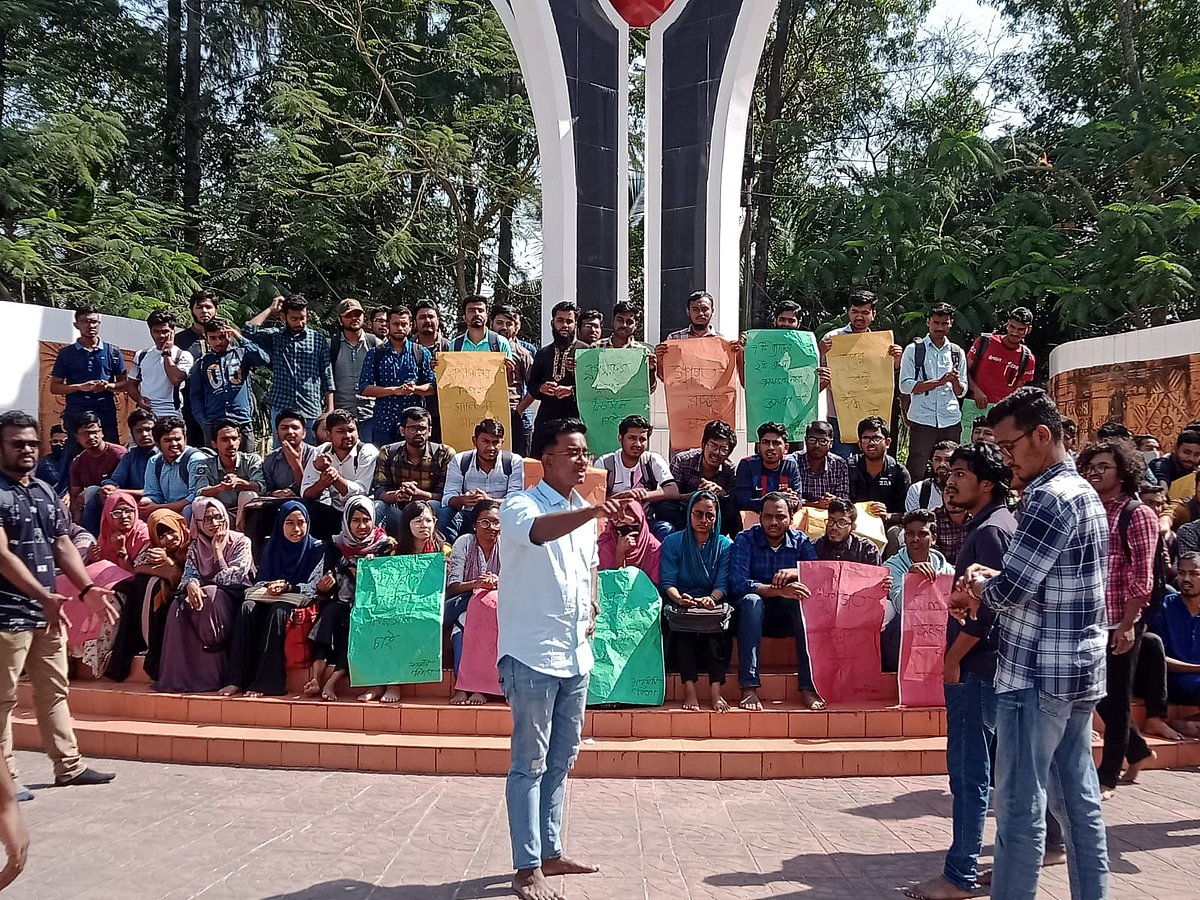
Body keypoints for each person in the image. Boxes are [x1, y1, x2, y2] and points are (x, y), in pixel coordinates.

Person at [948, 387, 1109, 899]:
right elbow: (1045, 583)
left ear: (1043, 435)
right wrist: (992, 578)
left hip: (1033, 676)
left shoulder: (1047, 497)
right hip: (1076, 671)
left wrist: (977, 585)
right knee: (1077, 804)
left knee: (1020, 808)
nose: (1005, 457)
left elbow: (1012, 591)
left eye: (1009, 445)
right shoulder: (1084, 494)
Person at [498, 418, 615, 900]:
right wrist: (591, 515)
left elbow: (587, 569)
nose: (582, 459)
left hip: (574, 654)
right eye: (571, 451)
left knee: (562, 758)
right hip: (531, 653)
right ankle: (526, 867)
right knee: (529, 762)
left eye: (585, 451)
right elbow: (539, 534)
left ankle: (550, 851)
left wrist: (592, 605)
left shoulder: (583, 510)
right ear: (545, 459)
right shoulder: (519, 504)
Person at [905, 441, 1017, 900]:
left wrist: (951, 661)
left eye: (961, 474)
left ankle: (960, 875)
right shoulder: (999, 524)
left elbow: (988, 614)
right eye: (949, 473)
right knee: (1002, 773)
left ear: (986, 484)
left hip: (976, 669)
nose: (950, 481)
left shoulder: (990, 531)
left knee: (970, 775)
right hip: (996, 669)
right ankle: (1009, 864)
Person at [0, 410, 119, 801]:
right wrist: (42, 595)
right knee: (3, 699)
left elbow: (63, 543)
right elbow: (2, 556)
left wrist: (86, 588)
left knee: (54, 690)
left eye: (33, 443)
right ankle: (5, 780)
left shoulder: (44, 491)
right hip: (7, 614)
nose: (28, 450)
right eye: (17, 444)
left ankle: (69, 767)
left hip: (47, 612)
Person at [1077, 439, 1160, 796]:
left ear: (1123, 472)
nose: (1094, 473)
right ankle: (1138, 749)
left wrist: (1128, 625)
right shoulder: (1093, 509)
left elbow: (1143, 576)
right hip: (1092, 617)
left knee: (1117, 696)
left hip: (1122, 618)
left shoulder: (1136, 513)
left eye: (1103, 467)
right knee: (1096, 694)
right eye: (1090, 467)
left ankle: (1108, 774)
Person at [729, 492, 822, 711]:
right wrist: (777, 591)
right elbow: (738, 583)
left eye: (780, 517)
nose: (773, 522)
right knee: (752, 601)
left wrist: (795, 571)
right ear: (759, 517)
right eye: (768, 516)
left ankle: (808, 687)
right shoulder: (745, 539)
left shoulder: (801, 541)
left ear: (791, 518)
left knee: (803, 603)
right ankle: (749, 686)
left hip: (786, 616)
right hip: (751, 616)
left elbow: (817, 576)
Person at [221, 501, 324, 698]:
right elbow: (260, 581)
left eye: (301, 523)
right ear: (280, 524)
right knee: (247, 608)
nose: (296, 529)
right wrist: (271, 585)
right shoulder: (272, 546)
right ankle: (236, 679)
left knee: (279, 611)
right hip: (269, 597)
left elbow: (314, 587)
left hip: (297, 602)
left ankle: (266, 682)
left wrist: (288, 586)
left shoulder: (316, 548)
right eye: (289, 523)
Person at [155, 497, 254, 693]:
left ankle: (213, 677)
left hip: (235, 596)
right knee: (178, 605)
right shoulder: (195, 546)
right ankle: (180, 678)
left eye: (218, 517)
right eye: (207, 519)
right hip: (206, 593)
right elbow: (189, 574)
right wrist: (191, 584)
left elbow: (234, 578)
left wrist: (217, 551)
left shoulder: (241, 541)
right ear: (198, 522)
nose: (214, 524)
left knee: (208, 595)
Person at [360, 500, 449, 705]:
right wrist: (375, 562)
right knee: (383, 620)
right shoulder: (394, 549)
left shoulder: (443, 550)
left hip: (431, 606)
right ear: (407, 524)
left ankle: (394, 683)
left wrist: (447, 569)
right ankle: (379, 682)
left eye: (428, 520)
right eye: (418, 521)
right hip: (398, 605)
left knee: (408, 620)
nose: (424, 525)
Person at [310, 496, 395, 701]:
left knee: (356, 619)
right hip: (342, 602)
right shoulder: (335, 545)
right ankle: (315, 677)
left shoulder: (385, 547)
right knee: (331, 612)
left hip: (371, 608)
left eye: (366, 520)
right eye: (355, 520)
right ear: (346, 522)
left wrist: (369, 575)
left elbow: (389, 587)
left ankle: (333, 681)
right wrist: (323, 587)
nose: (362, 526)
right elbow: (325, 586)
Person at [659, 491, 733, 712]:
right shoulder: (673, 542)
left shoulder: (724, 545)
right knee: (683, 628)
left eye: (709, 515)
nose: (703, 521)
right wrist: (679, 598)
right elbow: (667, 581)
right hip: (682, 601)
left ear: (716, 517)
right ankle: (690, 689)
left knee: (715, 628)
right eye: (698, 514)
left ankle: (715, 691)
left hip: (711, 603)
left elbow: (722, 583)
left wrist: (711, 599)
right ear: (689, 513)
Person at [817, 288, 904, 458]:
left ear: (873, 314)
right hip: (840, 416)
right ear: (848, 312)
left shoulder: (882, 343)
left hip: (872, 416)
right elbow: (817, 376)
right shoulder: (832, 339)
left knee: (871, 462)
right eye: (855, 312)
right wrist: (820, 352)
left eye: (865, 312)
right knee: (843, 464)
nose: (859, 317)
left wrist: (897, 359)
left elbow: (887, 377)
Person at [106, 509, 189, 682]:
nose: (168, 539)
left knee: (152, 584)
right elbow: (136, 569)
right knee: (143, 583)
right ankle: (144, 642)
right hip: (161, 598)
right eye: (161, 535)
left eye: (171, 531)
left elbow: (180, 577)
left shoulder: (192, 544)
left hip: (186, 596)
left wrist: (169, 564)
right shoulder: (152, 548)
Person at [49, 306, 127, 483]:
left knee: (110, 453)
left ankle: (111, 491)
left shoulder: (112, 352)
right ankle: (76, 496)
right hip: (76, 412)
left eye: (94, 321)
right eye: (85, 321)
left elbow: (124, 384)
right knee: (76, 455)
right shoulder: (66, 354)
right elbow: (55, 387)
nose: (90, 325)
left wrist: (108, 385)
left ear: (99, 323)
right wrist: (79, 387)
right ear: (76, 325)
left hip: (105, 411)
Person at [243, 294, 335, 439]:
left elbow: (327, 374)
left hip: (310, 406)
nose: (299, 322)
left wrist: (330, 408)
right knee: (281, 454)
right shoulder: (275, 337)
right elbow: (248, 331)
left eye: (302, 318)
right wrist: (270, 309)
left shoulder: (318, 339)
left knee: (312, 454)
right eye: (294, 319)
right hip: (281, 406)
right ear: (283, 317)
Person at [900, 303, 969, 481]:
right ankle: (913, 504)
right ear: (928, 322)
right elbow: (905, 386)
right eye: (936, 322)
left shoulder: (956, 352)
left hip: (950, 418)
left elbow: (962, 391)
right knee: (917, 467)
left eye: (944, 323)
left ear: (951, 323)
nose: (940, 328)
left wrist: (953, 381)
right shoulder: (914, 350)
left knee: (953, 466)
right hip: (922, 419)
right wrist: (938, 382)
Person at [882, 509, 954, 672]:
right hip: (907, 629)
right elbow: (900, 607)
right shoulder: (891, 566)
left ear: (933, 538)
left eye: (922, 534)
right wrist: (912, 579)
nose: (915, 539)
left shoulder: (948, 569)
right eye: (909, 534)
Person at [446, 499, 502, 706]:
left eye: (496, 522)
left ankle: (483, 688)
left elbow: (517, 580)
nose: (492, 528)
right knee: (462, 625)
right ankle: (462, 686)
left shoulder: (507, 545)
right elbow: (453, 586)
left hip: (498, 605)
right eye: (485, 522)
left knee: (491, 623)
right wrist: (476, 583)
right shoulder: (464, 543)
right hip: (467, 601)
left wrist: (497, 582)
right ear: (474, 525)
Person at [358, 306, 436, 447]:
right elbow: (364, 387)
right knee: (383, 465)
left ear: (410, 325)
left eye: (404, 324)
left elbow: (432, 387)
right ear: (388, 325)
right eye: (395, 324)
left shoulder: (421, 352)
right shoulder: (375, 353)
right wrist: (394, 390)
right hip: (383, 423)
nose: (400, 328)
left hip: (414, 425)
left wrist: (415, 389)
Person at [371, 406, 454, 540]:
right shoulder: (387, 452)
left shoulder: (444, 454)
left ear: (430, 431)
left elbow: (448, 497)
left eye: (422, 428)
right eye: (413, 428)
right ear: (402, 430)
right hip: (400, 514)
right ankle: (376, 549)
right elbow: (379, 492)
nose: (418, 432)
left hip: (431, 516)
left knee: (436, 505)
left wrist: (419, 494)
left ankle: (446, 549)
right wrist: (398, 495)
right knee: (378, 506)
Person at [187, 317, 268, 450]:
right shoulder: (201, 364)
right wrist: (204, 422)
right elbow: (195, 396)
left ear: (229, 335)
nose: (218, 342)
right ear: (206, 338)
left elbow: (263, 359)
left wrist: (239, 337)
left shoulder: (242, 354)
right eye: (213, 338)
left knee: (247, 463)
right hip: (213, 422)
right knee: (215, 465)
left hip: (242, 420)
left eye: (222, 337)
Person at [596, 415, 679, 540]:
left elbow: (672, 490)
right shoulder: (605, 463)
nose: (638, 444)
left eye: (642, 439)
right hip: (613, 523)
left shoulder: (652, 460)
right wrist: (625, 497)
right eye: (632, 438)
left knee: (665, 528)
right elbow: (595, 501)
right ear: (620, 438)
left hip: (644, 523)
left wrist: (643, 495)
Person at [301, 409, 378, 539]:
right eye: (340, 431)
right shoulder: (321, 451)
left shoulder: (367, 451)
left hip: (362, 514)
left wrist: (334, 476)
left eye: (351, 430)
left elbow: (361, 493)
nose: (347, 435)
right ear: (329, 435)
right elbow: (306, 493)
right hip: (335, 511)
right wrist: (322, 483)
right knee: (303, 507)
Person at [443, 419, 523, 539]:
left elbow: (515, 500)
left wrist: (489, 501)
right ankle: (452, 548)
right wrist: (464, 499)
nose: (491, 447)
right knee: (441, 511)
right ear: (474, 441)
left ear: (502, 442)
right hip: (468, 515)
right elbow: (447, 498)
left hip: (500, 516)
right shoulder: (460, 460)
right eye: (485, 441)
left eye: (496, 442)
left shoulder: (513, 461)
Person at [663, 420, 740, 536]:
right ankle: (683, 539)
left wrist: (721, 493)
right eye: (713, 445)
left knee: (732, 508)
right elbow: (672, 496)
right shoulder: (682, 460)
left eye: (723, 449)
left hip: (712, 516)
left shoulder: (730, 469)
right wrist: (697, 496)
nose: (717, 452)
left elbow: (732, 498)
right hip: (684, 512)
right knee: (665, 506)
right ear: (703, 445)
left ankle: (717, 542)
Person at [193, 419, 265, 530]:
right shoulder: (205, 465)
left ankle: (239, 530)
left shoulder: (252, 460)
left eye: (234, 439)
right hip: (219, 514)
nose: (231, 443)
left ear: (240, 440)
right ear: (214, 443)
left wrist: (239, 483)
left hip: (248, 515)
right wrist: (220, 488)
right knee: (199, 502)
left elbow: (261, 487)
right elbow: (200, 492)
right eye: (224, 439)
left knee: (248, 494)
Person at [527, 301, 588, 431]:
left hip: (576, 420)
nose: (565, 325)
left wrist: (571, 390)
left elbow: (593, 387)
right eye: (560, 320)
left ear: (575, 324)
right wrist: (541, 388)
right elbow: (532, 385)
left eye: (569, 321)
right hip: (546, 420)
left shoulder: (586, 352)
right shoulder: (543, 353)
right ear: (552, 323)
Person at [1151, 552, 1200, 707]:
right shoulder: (1165, 606)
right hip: (1172, 681)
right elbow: (1159, 659)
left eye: (1194, 574)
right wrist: (1197, 669)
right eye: (1181, 573)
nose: (1186, 579)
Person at [329, 298, 381, 445]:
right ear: (340, 319)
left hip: (371, 415)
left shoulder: (376, 344)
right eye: (348, 315)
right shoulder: (331, 346)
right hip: (342, 417)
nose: (354, 318)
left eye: (357, 314)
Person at [127, 310, 193, 419]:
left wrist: (166, 353)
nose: (160, 335)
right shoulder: (141, 355)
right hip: (146, 413)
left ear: (173, 331)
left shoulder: (183, 355)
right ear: (150, 332)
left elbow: (175, 379)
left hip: (171, 412)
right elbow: (131, 384)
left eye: (165, 331)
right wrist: (139, 399)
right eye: (156, 331)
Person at [849, 415, 911, 532]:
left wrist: (888, 515)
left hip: (887, 525)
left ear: (887, 442)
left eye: (876, 438)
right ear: (860, 445)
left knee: (896, 534)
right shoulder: (849, 467)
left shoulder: (900, 472)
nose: (871, 443)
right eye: (866, 439)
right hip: (855, 523)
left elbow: (908, 513)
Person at [175, 288, 220, 446]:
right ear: (192, 310)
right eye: (199, 307)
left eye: (208, 307)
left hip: (220, 406)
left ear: (216, 309)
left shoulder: (225, 338)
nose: (204, 311)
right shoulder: (179, 341)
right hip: (189, 406)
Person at [966, 307, 1036, 408]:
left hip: (1003, 411)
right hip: (974, 406)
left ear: (1028, 330)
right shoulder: (984, 341)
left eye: (1021, 329)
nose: (1015, 332)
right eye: (1012, 327)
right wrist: (976, 390)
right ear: (1007, 324)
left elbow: (1018, 389)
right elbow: (964, 370)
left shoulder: (1027, 358)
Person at [490, 304, 535, 456]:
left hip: (513, 415)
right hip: (482, 414)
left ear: (515, 327)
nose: (504, 327)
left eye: (509, 324)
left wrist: (520, 410)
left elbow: (535, 386)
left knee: (517, 463)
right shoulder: (479, 349)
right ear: (491, 323)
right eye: (499, 323)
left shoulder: (522, 353)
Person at [68, 411, 127, 526]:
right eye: (85, 434)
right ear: (77, 438)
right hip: (93, 508)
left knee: (92, 491)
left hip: (120, 506)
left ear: (102, 432)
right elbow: (75, 497)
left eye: (94, 432)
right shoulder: (77, 462)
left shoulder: (119, 454)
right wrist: (76, 519)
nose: (91, 437)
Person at [139, 415, 204, 519]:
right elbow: (154, 494)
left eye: (178, 439)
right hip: (165, 512)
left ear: (185, 439)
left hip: (191, 514)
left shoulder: (196, 459)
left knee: (188, 510)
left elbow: (195, 498)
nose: (174, 444)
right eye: (168, 440)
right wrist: (147, 501)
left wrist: (158, 508)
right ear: (157, 443)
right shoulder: (154, 462)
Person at [734, 422, 802, 515]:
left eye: (776, 443)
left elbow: (798, 501)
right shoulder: (747, 465)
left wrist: (795, 501)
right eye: (765, 442)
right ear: (758, 447)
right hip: (754, 518)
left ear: (785, 448)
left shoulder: (790, 465)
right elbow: (742, 502)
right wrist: (780, 499)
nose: (770, 447)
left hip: (781, 517)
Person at [598, 300, 658, 391]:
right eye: (620, 320)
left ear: (636, 325)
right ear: (612, 321)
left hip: (632, 404)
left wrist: (651, 370)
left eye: (629, 322)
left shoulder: (644, 352)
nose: (624, 325)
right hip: (602, 403)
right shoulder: (595, 348)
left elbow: (650, 389)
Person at [598, 502, 661, 581]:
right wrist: (619, 553)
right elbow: (609, 582)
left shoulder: (653, 547)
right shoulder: (607, 546)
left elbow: (655, 585)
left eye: (633, 522)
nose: (626, 527)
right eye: (621, 523)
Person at [793, 420, 850, 508]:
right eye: (812, 440)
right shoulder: (793, 461)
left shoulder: (839, 464)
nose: (817, 445)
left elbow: (844, 499)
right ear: (805, 440)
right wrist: (814, 505)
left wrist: (834, 500)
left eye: (823, 441)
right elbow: (788, 499)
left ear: (830, 443)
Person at [813, 498, 881, 564]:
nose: (834, 527)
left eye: (841, 523)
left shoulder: (867, 550)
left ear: (853, 527)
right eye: (830, 521)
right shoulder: (813, 547)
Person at [906, 440, 957, 511]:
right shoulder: (918, 490)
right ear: (931, 462)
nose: (942, 464)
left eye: (948, 460)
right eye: (937, 459)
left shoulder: (968, 490)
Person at [933, 501, 971, 566]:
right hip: (942, 570)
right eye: (948, 492)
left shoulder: (979, 517)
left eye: (958, 493)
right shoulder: (934, 519)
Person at [35, 424, 67, 493]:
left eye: (62, 442)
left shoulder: (76, 460)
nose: (58, 444)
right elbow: (58, 484)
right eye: (55, 442)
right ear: (50, 443)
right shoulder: (45, 463)